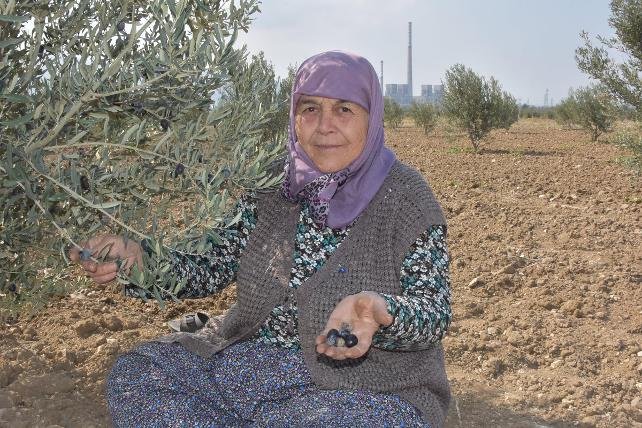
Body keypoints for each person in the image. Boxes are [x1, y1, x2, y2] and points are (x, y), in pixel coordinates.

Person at [70, 51, 452, 427]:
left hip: (360, 390)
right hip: (247, 367)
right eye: (310, 108)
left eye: (345, 109)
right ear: (294, 117)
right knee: (138, 375)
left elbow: (433, 311)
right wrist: (141, 260)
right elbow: (212, 263)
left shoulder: (406, 198)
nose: (325, 125)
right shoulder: (273, 184)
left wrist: (378, 310)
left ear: (372, 118)